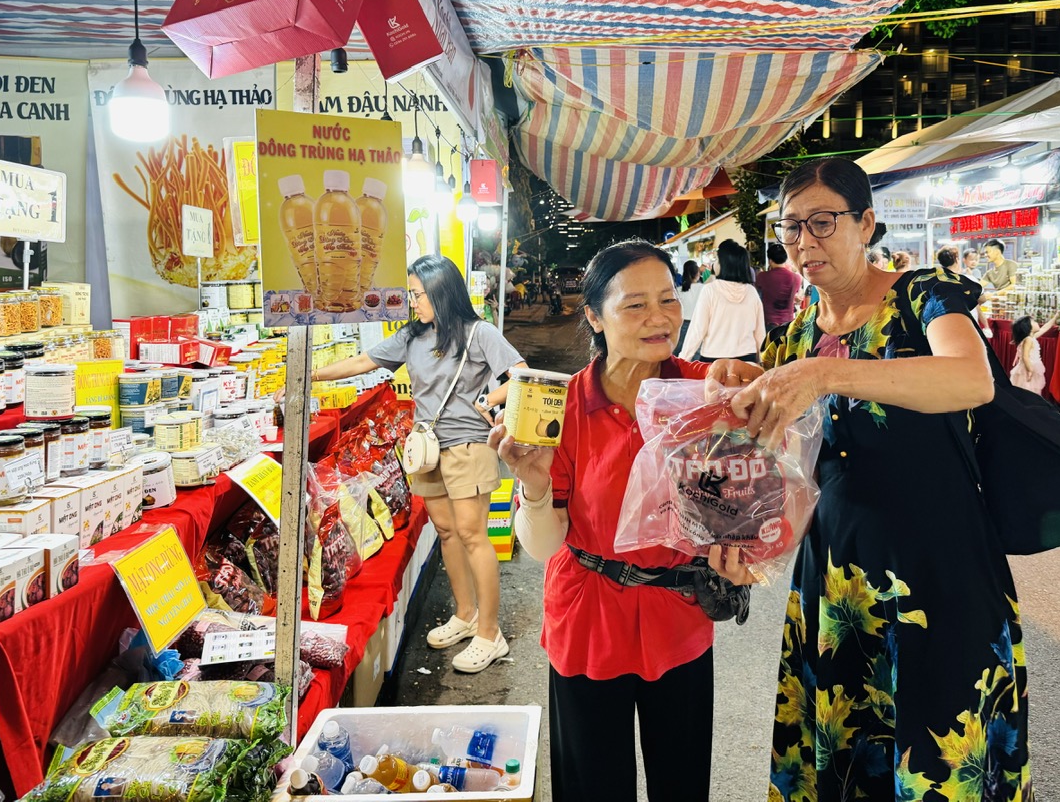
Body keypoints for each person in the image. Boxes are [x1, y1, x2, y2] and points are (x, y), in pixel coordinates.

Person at [706, 158, 1029, 801]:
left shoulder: (923, 296)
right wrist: (742, 386)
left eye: (823, 221)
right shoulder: (801, 328)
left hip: (936, 574)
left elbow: (971, 378)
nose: (805, 240)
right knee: (848, 758)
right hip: (837, 578)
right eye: (790, 226)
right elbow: (793, 459)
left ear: (868, 224)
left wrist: (826, 375)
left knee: (939, 756)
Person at [491, 240, 735, 802]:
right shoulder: (564, 406)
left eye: (669, 299)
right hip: (589, 614)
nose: (659, 317)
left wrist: (742, 549)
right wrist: (532, 482)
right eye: (635, 305)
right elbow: (543, 544)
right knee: (593, 783)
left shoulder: (705, 393)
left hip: (679, 614)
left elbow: (739, 500)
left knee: (683, 779)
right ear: (595, 317)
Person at [301, 255, 526, 673]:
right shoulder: (411, 336)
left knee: (473, 534)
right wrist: (306, 374)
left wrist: (485, 401)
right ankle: (465, 613)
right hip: (426, 448)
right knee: (446, 532)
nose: (413, 302)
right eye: (411, 294)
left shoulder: (480, 334)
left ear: (441, 293)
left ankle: (490, 633)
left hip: (468, 447)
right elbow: (361, 363)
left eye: (418, 294)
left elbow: (520, 375)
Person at [678, 239, 766, 363]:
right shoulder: (751, 292)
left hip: (713, 359)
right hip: (747, 358)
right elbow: (760, 332)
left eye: (717, 260)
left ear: (724, 264)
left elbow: (697, 330)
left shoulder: (710, 290)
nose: (715, 263)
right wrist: (763, 361)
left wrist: (683, 360)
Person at [753, 242, 803, 331]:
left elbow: (757, 295)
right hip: (788, 324)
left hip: (768, 324)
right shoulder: (796, 278)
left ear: (770, 260)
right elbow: (796, 297)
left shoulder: (762, 276)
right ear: (785, 259)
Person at [1010, 311, 1058, 395]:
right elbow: (1025, 357)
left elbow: (1044, 328)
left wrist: (1055, 317)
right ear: (1028, 327)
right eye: (1034, 322)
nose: (1037, 323)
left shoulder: (1031, 337)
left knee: (1030, 390)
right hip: (1028, 368)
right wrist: (1030, 370)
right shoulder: (1028, 339)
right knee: (1028, 390)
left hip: (1031, 367)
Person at [674, 259, 705, 355]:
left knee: (680, 350)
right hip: (698, 323)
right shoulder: (704, 288)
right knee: (696, 352)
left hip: (682, 324)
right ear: (697, 274)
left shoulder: (678, 290)